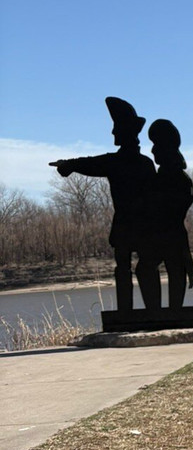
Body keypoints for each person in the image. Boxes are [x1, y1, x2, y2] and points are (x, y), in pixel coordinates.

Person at [50, 97, 156, 313]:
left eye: (116, 129)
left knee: (132, 268)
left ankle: (134, 312)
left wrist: (68, 165)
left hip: (131, 225)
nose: (112, 133)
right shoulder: (142, 163)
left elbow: (91, 163)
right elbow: (90, 163)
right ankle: (150, 311)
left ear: (125, 132)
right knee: (139, 267)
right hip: (140, 226)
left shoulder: (122, 162)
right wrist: (69, 164)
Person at [136, 118, 193, 309]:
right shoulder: (158, 179)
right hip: (161, 236)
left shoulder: (179, 180)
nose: (152, 151)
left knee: (174, 270)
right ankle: (155, 312)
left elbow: (172, 212)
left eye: (156, 145)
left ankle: (173, 311)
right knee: (146, 268)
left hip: (169, 236)